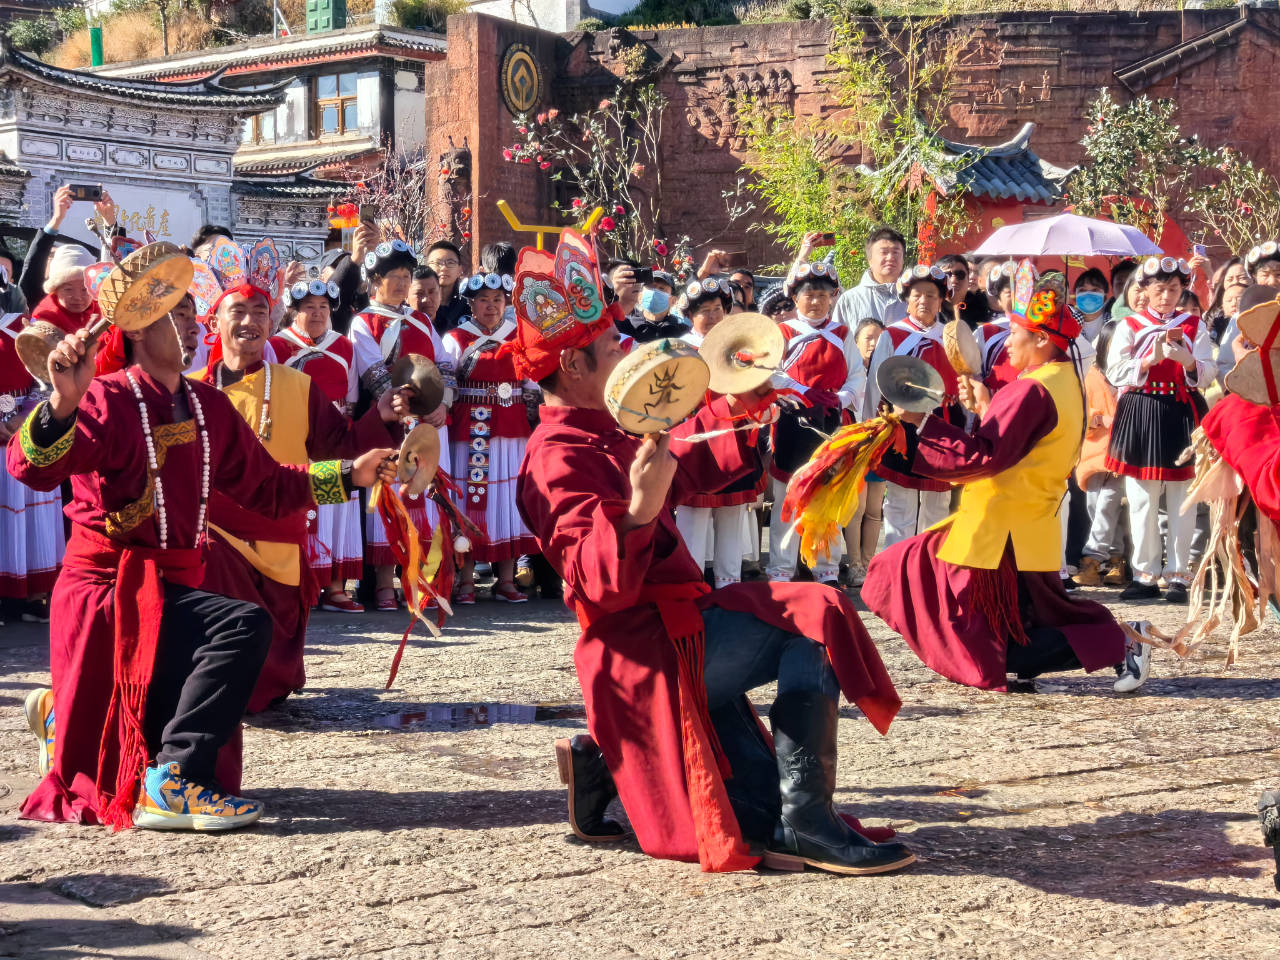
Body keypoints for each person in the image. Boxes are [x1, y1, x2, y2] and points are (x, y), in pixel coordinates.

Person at [513, 273, 912, 876]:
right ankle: (807, 822)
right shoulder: (555, 457)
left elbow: (687, 461)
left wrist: (740, 402)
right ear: (572, 363)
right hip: (639, 650)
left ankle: (603, 756)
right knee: (815, 614)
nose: (628, 352)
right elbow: (598, 582)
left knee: (752, 810)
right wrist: (643, 507)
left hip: (678, 627)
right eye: (615, 346)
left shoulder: (607, 427)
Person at [11, 278, 393, 830]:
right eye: (178, 315)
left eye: (193, 314)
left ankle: (96, 735)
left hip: (171, 588)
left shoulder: (205, 404)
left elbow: (267, 485)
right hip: (108, 593)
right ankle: (176, 779)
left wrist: (348, 474)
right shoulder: (109, 396)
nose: (192, 326)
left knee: (233, 629)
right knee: (239, 625)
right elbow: (31, 470)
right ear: (138, 330)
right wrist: (62, 402)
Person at [862, 270, 1151, 694]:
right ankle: (1116, 639)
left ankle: (1119, 641)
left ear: (1041, 340)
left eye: (1015, 333)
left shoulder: (1030, 390)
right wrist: (987, 405)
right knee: (1029, 614)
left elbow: (986, 456)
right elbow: (1021, 443)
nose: (1006, 342)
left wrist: (921, 422)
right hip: (1023, 523)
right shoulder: (1063, 381)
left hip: (1000, 530)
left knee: (914, 584)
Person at [196, 283, 404, 712]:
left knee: (270, 664)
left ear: (271, 324)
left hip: (281, 530)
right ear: (215, 322)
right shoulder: (190, 392)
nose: (250, 322)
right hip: (215, 541)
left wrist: (380, 414)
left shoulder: (298, 386)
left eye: (259, 312)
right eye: (238, 311)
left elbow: (340, 447)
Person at [349, 239, 451, 610]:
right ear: (374, 281)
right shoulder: (365, 322)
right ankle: (382, 583)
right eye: (393, 276)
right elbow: (374, 372)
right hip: (390, 420)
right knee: (389, 494)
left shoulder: (422, 319)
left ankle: (424, 576)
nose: (400, 282)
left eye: (406, 275)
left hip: (428, 419)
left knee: (424, 495)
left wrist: (443, 403)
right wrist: (403, 408)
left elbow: (444, 364)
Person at [1105, 256, 1214, 604]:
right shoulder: (1130, 325)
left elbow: (1210, 372)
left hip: (1183, 409)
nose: (1166, 296)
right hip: (1142, 409)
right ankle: (1145, 573)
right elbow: (1114, 371)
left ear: (1182, 290)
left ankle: (1179, 575)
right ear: (1145, 291)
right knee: (1141, 498)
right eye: (1159, 289)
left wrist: (1189, 363)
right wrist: (1147, 361)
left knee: (1183, 498)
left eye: (1173, 289)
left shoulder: (1195, 325)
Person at [439, 272, 538, 603]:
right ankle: (467, 580)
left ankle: (506, 579)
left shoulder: (519, 337)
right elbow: (446, 384)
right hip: (469, 432)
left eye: (497, 300)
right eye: (484, 300)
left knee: (507, 500)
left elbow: (532, 384)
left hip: (510, 431)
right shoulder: (456, 339)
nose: (491, 306)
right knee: (470, 499)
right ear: (471, 304)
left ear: (506, 303)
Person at [270, 279, 366, 613]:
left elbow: (351, 395)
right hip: (296, 434)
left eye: (323, 307)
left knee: (337, 505)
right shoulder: (277, 347)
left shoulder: (343, 346)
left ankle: (337, 585)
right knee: (306, 504)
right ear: (295, 311)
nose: (317, 313)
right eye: (309, 307)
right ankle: (303, 584)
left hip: (336, 432)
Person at [766, 262, 865, 584]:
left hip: (832, 423)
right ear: (795, 297)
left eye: (823, 295)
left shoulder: (842, 334)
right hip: (793, 422)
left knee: (826, 497)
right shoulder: (782, 333)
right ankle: (781, 568)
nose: (816, 301)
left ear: (833, 297)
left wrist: (842, 399)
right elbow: (771, 373)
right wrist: (804, 392)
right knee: (788, 497)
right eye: (808, 294)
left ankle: (826, 568)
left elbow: (857, 375)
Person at [673, 281, 765, 590]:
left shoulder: (738, 349)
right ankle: (691, 586)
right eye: (704, 311)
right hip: (696, 441)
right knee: (692, 519)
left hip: (734, 439)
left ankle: (731, 588)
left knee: (731, 517)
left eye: (718, 310)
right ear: (689, 316)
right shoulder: (678, 349)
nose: (712, 317)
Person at [865, 264, 962, 546]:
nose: (924, 301)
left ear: (941, 299)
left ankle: (931, 563)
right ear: (907, 298)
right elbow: (875, 385)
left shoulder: (951, 336)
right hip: (902, 426)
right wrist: (872, 427)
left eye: (931, 295)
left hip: (942, 425)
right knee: (899, 501)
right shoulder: (892, 335)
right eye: (917, 295)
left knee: (938, 500)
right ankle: (896, 564)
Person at [0, 310, 63, 624]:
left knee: (19, 521)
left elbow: (49, 378)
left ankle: (25, 596)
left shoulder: (20, 326)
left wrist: (22, 416)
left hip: (18, 441)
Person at [1072, 320, 1128, 588]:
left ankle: (1092, 559)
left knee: (1107, 503)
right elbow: (1078, 410)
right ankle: (1116, 558)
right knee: (1097, 505)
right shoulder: (1089, 376)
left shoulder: (1131, 374)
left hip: (1123, 454)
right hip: (1094, 453)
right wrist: (1097, 419)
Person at [842, 318, 887, 586]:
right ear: (855, 342)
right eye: (868, 338)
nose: (873, 344)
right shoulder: (850, 371)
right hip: (855, 447)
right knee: (855, 510)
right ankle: (854, 563)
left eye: (879, 339)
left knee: (874, 509)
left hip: (879, 446)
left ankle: (869, 564)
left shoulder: (886, 372)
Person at [832, 226, 907, 327]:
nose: (890, 258)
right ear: (870, 260)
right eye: (883, 252)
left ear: (903, 260)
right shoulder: (850, 300)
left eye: (896, 252)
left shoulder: (915, 297)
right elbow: (836, 339)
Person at [615, 271, 686, 343]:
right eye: (651, 287)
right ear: (640, 296)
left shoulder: (680, 331)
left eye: (661, 288)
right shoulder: (625, 325)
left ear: (673, 301)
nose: (654, 292)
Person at [425, 240, 470, 333]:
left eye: (450, 263)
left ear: (460, 270)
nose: (444, 268)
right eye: (437, 263)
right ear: (427, 267)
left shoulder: (469, 305)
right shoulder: (419, 303)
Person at [1072, 268, 1110, 343]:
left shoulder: (1115, 324)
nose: (1088, 294)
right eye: (1082, 290)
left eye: (1095, 290)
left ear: (1105, 296)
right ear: (1075, 296)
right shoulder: (1066, 324)